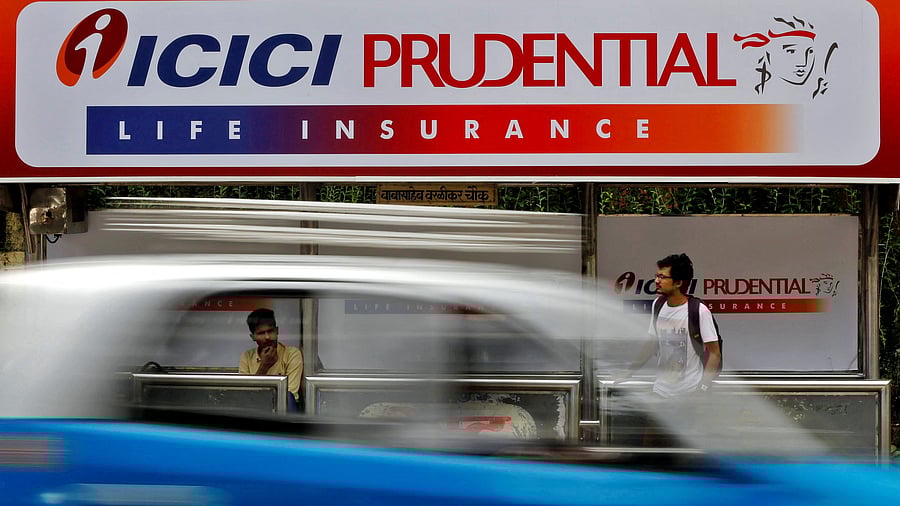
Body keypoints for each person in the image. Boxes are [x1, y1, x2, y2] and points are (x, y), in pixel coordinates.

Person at [627, 253, 721, 398]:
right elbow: (651, 344)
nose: (656, 281)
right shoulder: (658, 305)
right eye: (656, 276)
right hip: (660, 391)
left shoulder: (699, 311)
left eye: (662, 277)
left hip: (689, 392)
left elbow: (715, 353)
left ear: (678, 283)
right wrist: (629, 371)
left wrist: (703, 388)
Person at [239, 308, 303, 406]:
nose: (267, 337)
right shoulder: (247, 357)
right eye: (261, 333)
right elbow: (245, 395)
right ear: (253, 337)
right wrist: (264, 366)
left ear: (277, 331)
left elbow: (289, 396)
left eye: (270, 331)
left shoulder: (292, 354)